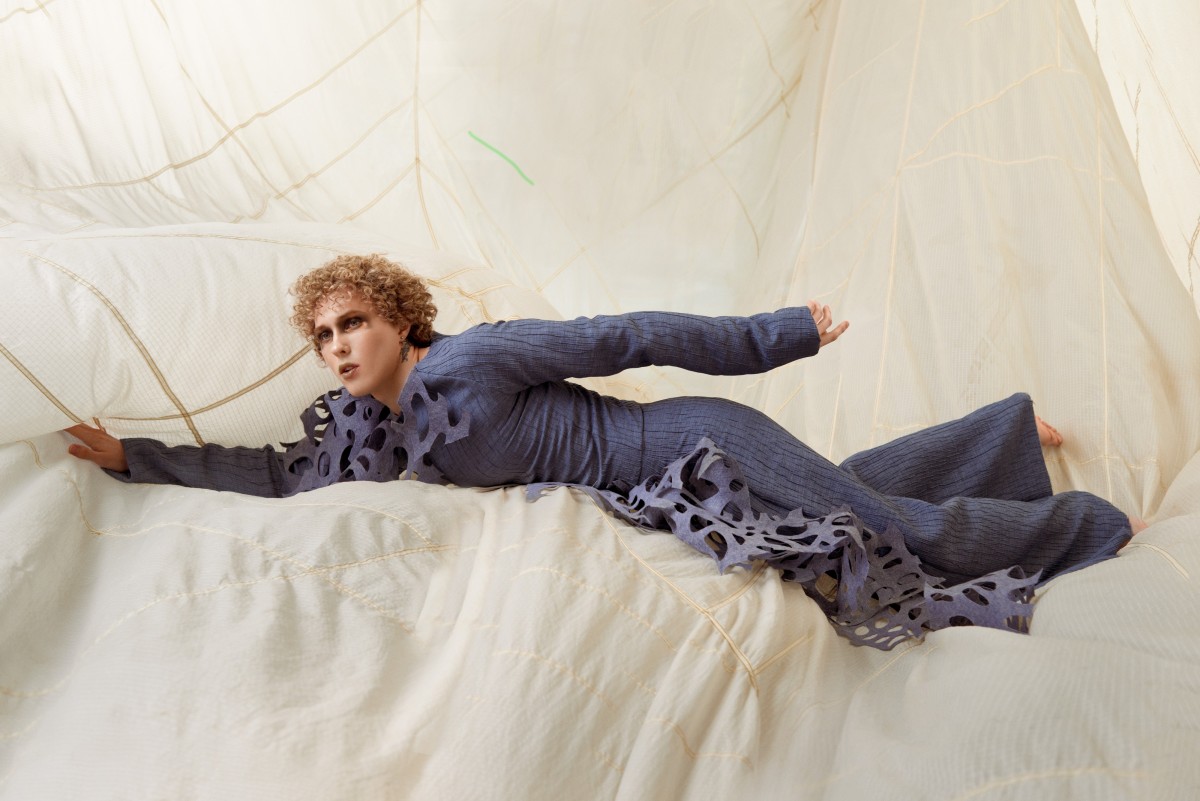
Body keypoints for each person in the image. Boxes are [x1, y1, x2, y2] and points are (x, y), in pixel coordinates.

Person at [64, 254, 1142, 647]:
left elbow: (626, 336)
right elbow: (270, 472)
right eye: (323, 335)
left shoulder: (475, 358)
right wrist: (135, 457)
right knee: (845, 499)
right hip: (667, 501)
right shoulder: (375, 438)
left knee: (887, 529)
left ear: (398, 319)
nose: (338, 345)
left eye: (353, 322)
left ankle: (1090, 528)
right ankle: (1006, 434)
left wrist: (782, 334)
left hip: (695, 441)